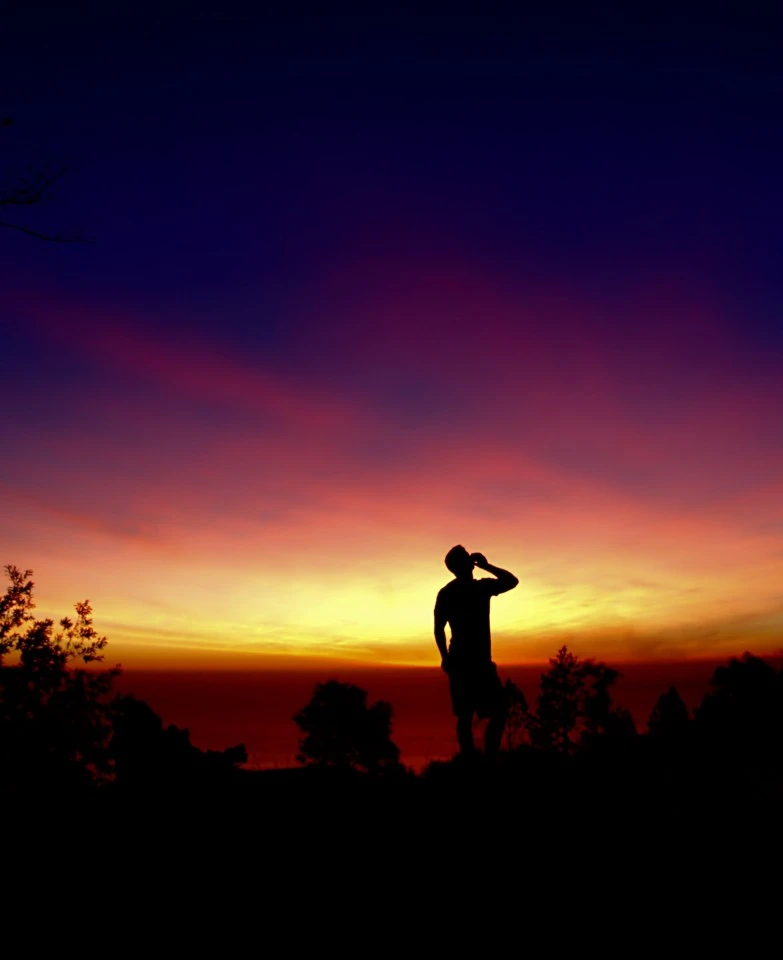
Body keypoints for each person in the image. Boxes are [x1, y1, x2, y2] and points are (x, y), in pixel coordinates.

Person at [434, 545, 519, 759]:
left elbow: (438, 629)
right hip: (471, 663)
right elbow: (511, 581)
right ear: (463, 564)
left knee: (471, 714)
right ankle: (482, 757)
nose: (471, 559)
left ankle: (478, 757)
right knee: (479, 713)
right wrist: (487, 566)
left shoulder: (459, 591)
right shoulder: (475, 590)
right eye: (466, 557)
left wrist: (445, 658)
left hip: (469, 663)